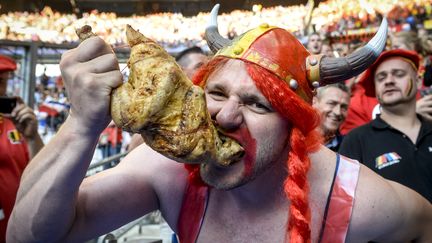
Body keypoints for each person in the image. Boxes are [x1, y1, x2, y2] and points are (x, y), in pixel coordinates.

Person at [7, 6, 432, 243]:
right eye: (216, 93)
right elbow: (31, 236)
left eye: (258, 105)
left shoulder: (356, 199)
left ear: (294, 127)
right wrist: (83, 124)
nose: (226, 117)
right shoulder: (168, 173)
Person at [339, 49, 432, 202]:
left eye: (399, 74)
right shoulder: (356, 141)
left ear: (417, 80)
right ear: (375, 89)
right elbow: (344, 204)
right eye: (381, 78)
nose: (389, 80)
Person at [128, 46, 209, 151]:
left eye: (209, 66)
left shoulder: (215, 107)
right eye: (200, 67)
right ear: (180, 72)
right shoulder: (156, 112)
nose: (207, 71)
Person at [0, 55, 44, 241]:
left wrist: (32, 137)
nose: (1, 89)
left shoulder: (15, 124)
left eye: (2, 82)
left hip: (21, 229)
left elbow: (44, 173)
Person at [312, 83, 350, 152]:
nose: (338, 112)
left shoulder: (349, 147)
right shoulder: (295, 138)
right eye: (332, 103)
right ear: (314, 102)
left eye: (343, 107)